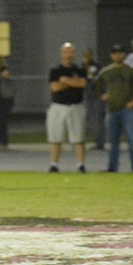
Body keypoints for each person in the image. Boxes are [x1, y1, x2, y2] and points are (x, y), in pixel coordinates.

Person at [95, 44, 133, 173]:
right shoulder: (106, 71)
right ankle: (112, 168)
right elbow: (96, 85)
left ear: (124, 54)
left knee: (132, 140)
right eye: (115, 53)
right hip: (112, 110)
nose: (117, 55)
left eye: (120, 52)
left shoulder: (131, 70)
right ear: (111, 55)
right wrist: (102, 95)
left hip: (128, 110)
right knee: (113, 142)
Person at [47, 42, 88, 172]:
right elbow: (55, 87)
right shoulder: (55, 71)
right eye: (66, 52)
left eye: (71, 52)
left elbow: (82, 83)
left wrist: (65, 81)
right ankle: (54, 164)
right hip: (58, 106)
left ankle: (80, 164)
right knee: (55, 137)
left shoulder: (80, 70)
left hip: (76, 106)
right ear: (62, 54)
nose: (69, 55)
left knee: (78, 138)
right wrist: (71, 83)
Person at [82, 48, 106, 150]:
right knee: (92, 120)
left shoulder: (97, 66)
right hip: (88, 97)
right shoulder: (81, 68)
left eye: (89, 55)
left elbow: (98, 80)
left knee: (99, 119)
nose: (87, 57)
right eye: (85, 55)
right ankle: (97, 142)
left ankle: (100, 143)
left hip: (97, 96)